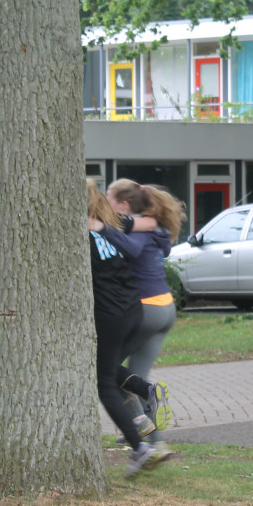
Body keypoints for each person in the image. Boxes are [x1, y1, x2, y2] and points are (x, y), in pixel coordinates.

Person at [87, 179, 174, 477]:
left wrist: (102, 229)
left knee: (105, 379)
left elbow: (140, 238)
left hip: (128, 310)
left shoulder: (102, 228)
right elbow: (153, 227)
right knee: (111, 367)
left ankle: (141, 443)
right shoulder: (119, 223)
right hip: (146, 307)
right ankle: (147, 397)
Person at [107, 179, 186, 439]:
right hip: (165, 308)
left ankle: (138, 424)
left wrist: (104, 229)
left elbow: (132, 248)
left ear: (124, 204)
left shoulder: (139, 229)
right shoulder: (155, 227)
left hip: (147, 310)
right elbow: (163, 249)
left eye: (109, 197)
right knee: (136, 376)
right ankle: (151, 439)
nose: (106, 202)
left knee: (107, 370)